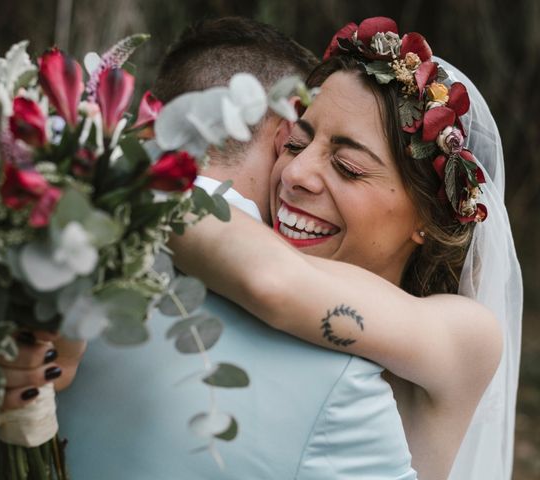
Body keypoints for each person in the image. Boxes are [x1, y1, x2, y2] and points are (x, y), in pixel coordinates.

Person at [0, 18, 419, 480]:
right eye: (302, 143)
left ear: (149, 118)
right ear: (286, 127)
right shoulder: (340, 384)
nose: (303, 173)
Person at [168, 17, 522, 480]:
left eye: (348, 167)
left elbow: (271, 281)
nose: (294, 174)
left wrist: (109, 174)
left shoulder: (465, 335)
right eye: (295, 143)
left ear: (426, 219)